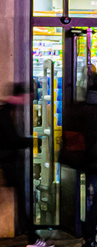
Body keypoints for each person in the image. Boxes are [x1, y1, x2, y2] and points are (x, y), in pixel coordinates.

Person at [62, 69, 97, 247]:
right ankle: (90, 236)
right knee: (95, 199)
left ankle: (79, 227)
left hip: (78, 159)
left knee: (80, 196)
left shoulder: (78, 107)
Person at [0, 83, 39, 246]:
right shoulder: (6, 114)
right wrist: (32, 142)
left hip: (9, 162)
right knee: (21, 200)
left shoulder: (9, 111)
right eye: (27, 97)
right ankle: (31, 236)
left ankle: (30, 233)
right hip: (8, 163)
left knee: (21, 200)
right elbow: (10, 140)